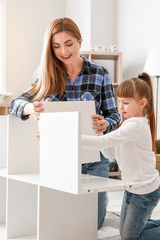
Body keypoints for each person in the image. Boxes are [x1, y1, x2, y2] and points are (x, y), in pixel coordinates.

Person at [9, 17, 120, 229]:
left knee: (91, 224)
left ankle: (100, 200)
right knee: (62, 220)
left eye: (69, 44)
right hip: (59, 160)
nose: (63, 51)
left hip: (93, 160)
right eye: (56, 46)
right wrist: (31, 108)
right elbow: (16, 103)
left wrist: (105, 124)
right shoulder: (47, 75)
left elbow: (114, 114)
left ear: (80, 41)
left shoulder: (100, 73)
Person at [82, 72, 160, 240]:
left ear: (142, 103)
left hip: (145, 192)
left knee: (130, 238)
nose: (121, 106)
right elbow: (109, 151)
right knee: (126, 233)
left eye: (126, 102)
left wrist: (71, 136)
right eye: (119, 102)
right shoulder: (126, 124)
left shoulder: (136, 126)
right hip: (132, 189)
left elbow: (105, 143)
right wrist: (99, 134)